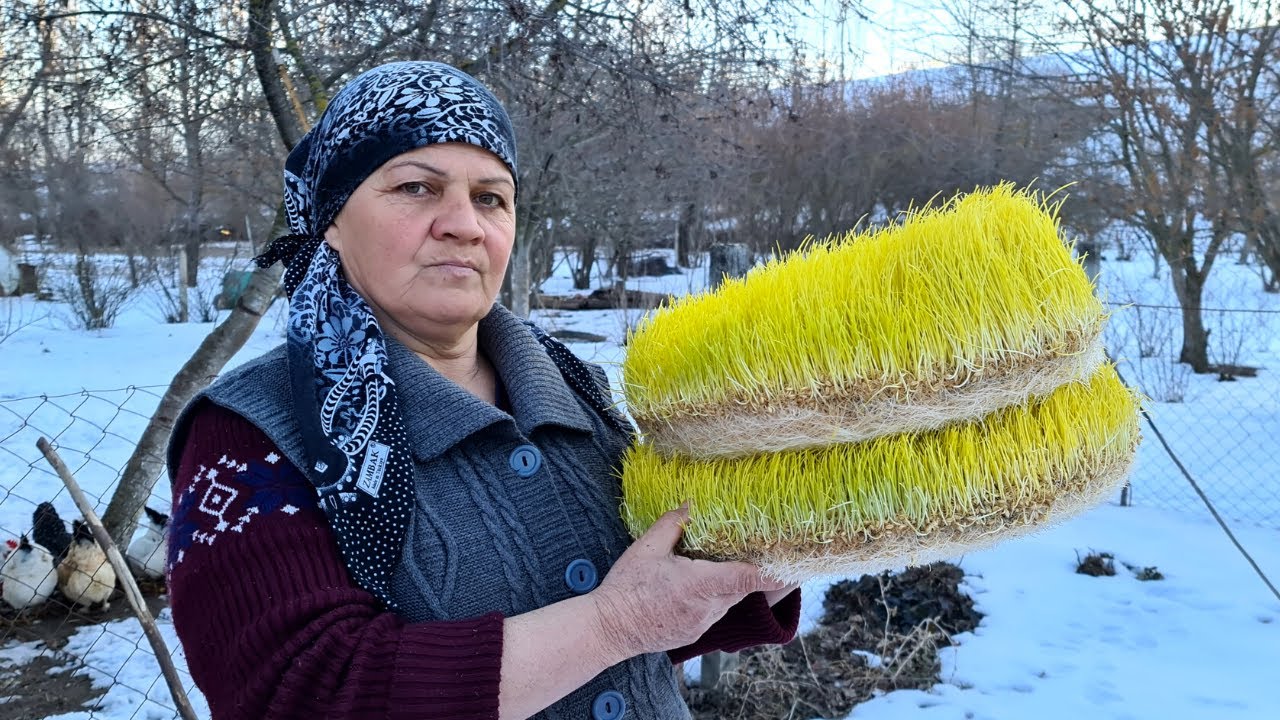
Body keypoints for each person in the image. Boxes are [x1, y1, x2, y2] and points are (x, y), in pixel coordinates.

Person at [165, 60, 800, 720]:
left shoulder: (569, 384)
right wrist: (615, 623)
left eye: (491, 197)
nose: (464, 224)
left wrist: (795, 541)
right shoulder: (250, 435)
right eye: (416, 187)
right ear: (332, 217)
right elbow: (297, 695)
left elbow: (660, 600)